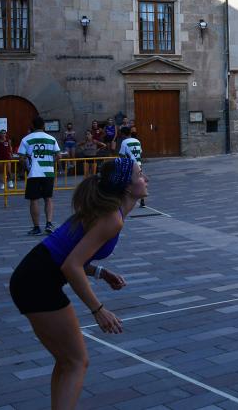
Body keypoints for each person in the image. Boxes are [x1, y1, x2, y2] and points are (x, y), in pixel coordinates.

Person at [8, 158, 145, 409]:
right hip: (36, 282)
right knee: (76, 362)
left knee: (67, 361)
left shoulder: (106, 211)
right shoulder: (111, 218)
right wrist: (98, 310)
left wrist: (100, 272)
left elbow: (67, 254)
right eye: (140, 174)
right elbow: (71, 265)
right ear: (126, 186)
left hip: (31, 277)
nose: (146, 179)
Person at [19, 116, 62, 236]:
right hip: (48, 172)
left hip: (33, 172)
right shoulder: (51, 138)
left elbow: (21, 158)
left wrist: (26, 165)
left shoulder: (26, 139)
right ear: (44, 126)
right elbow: (59, 156)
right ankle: (49, 223)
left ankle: (36, 227)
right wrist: (51, 162)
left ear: (32, 126)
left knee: (34, 200)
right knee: (48, 198)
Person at [117, 127, 144, 207]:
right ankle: (142, 200)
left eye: (121, 133)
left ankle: (125, 201)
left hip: (130, 164)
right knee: (140, 181)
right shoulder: (137, 141)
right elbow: (140, 153)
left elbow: (121, 154)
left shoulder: (124, 142)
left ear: (123, 134)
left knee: (126, 182)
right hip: (138, 164)